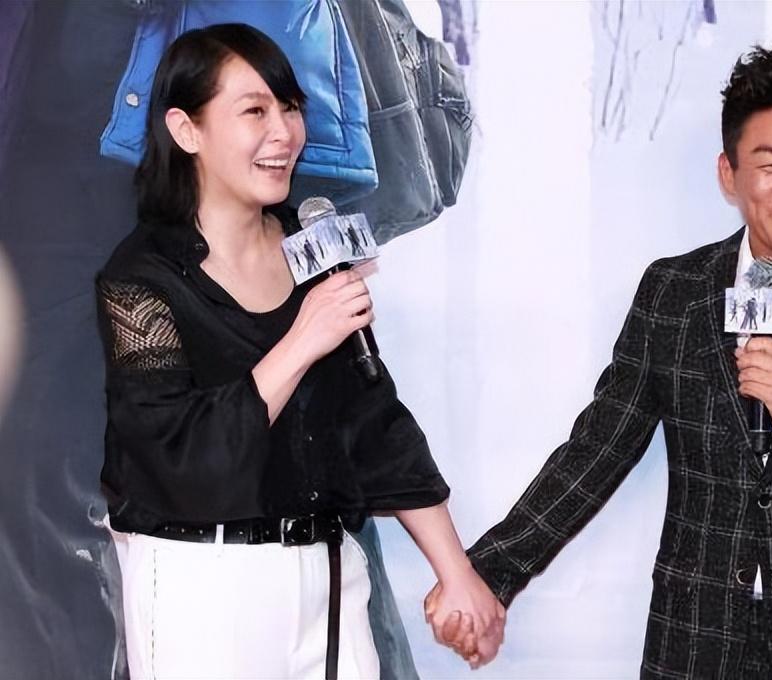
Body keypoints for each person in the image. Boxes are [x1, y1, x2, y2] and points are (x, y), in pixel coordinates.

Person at [430, 43, 772, 678]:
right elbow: (598, 450)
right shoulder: (676, 292)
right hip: (695, 640)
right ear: (729, 174)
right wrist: (486, 574)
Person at [95, 24, 502, 679]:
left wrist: (456, 572)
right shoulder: (140, 278)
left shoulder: (314, 254)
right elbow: (182, 462)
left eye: (289, 108)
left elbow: (374, 424)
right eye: (254, 111)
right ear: (186, 129)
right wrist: (304, 339)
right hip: (204, 585)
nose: (283, 132)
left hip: (331, 575)